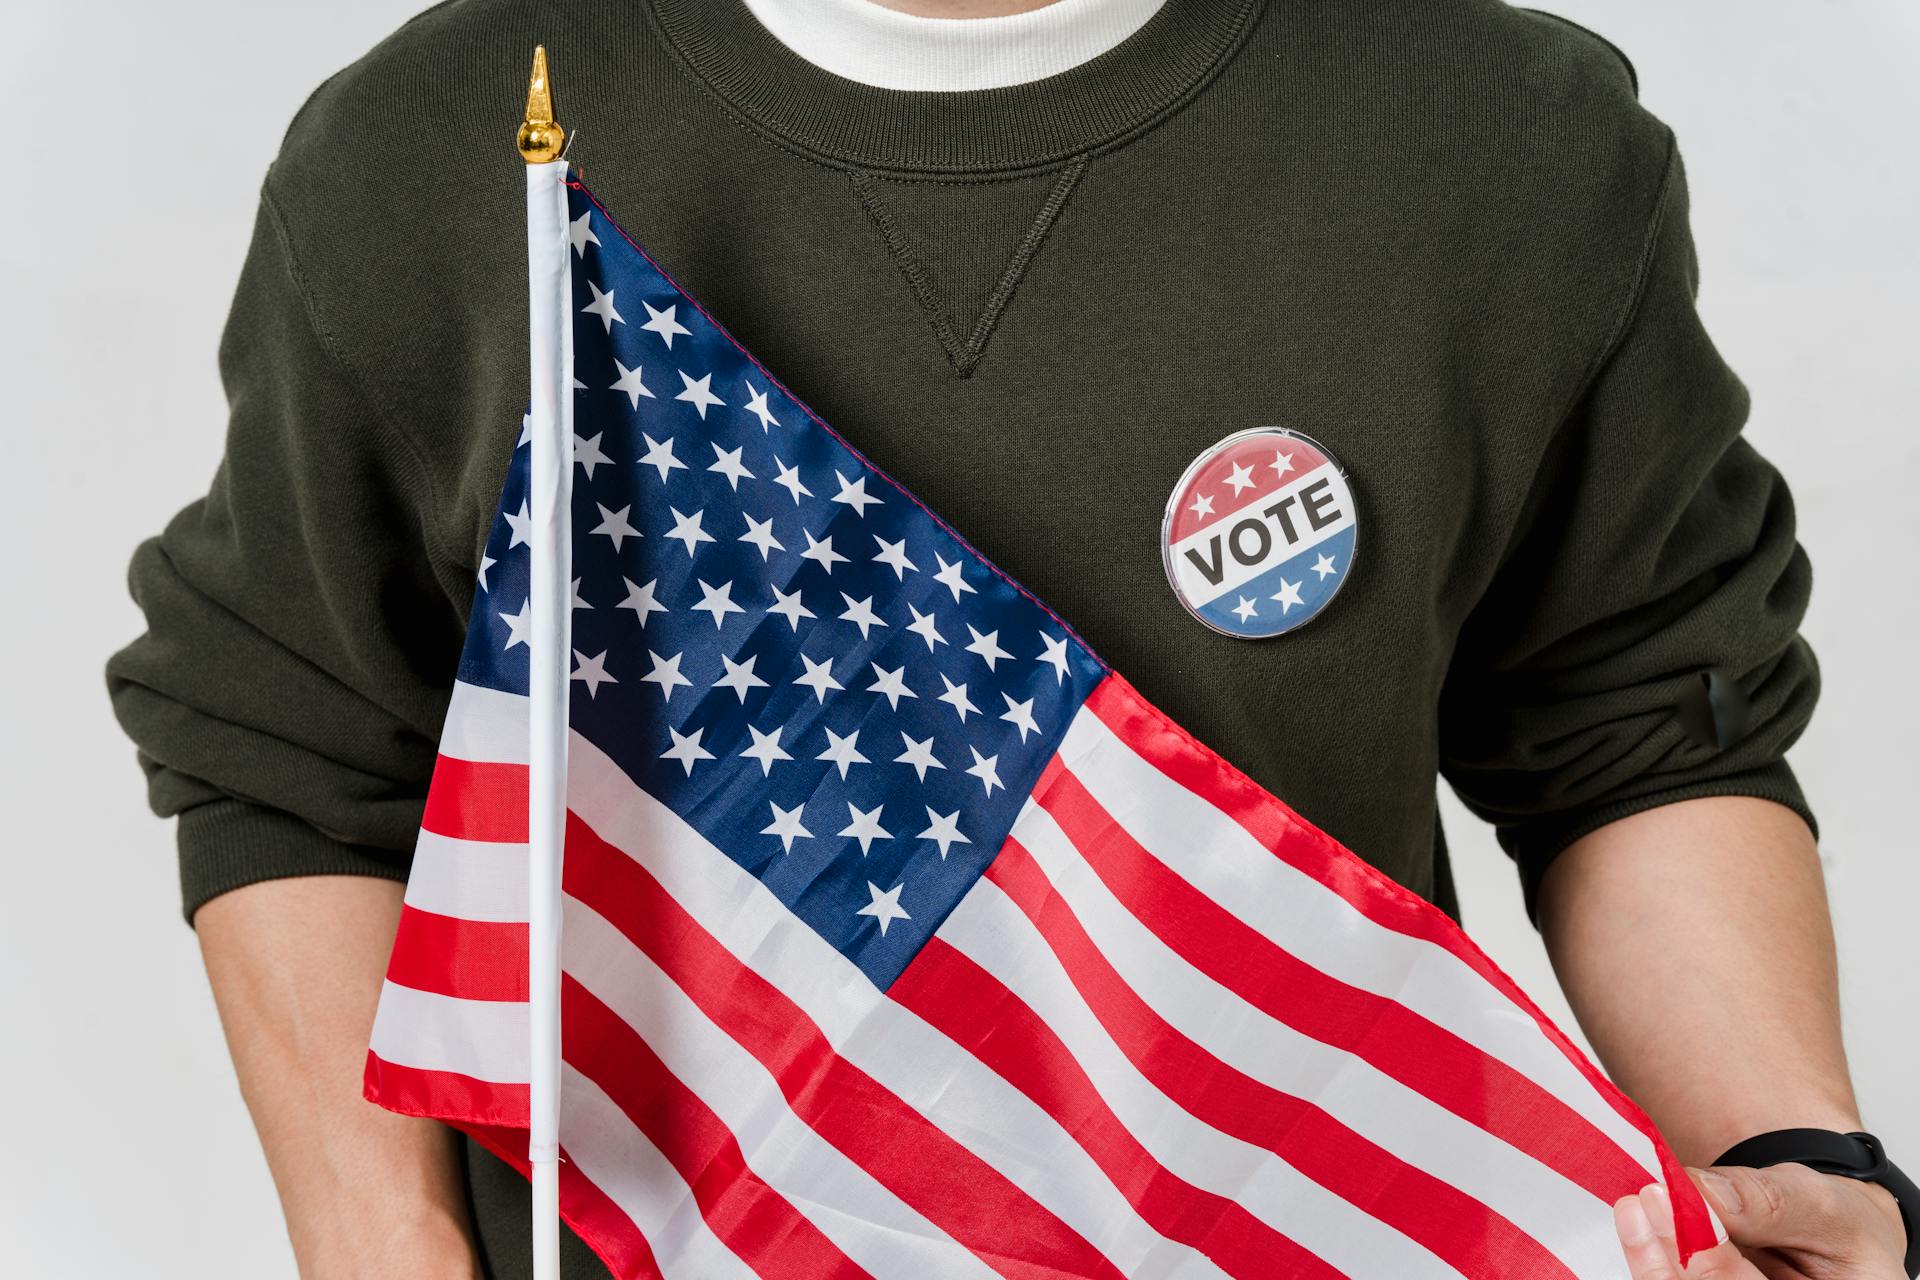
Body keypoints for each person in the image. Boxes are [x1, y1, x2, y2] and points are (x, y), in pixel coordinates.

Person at [105, 1, 1910, 1277]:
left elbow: (1640, 732)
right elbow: (292, 753)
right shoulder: (425, 155)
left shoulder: (1502, 137)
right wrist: (384, 1251)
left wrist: (1788, 1155)